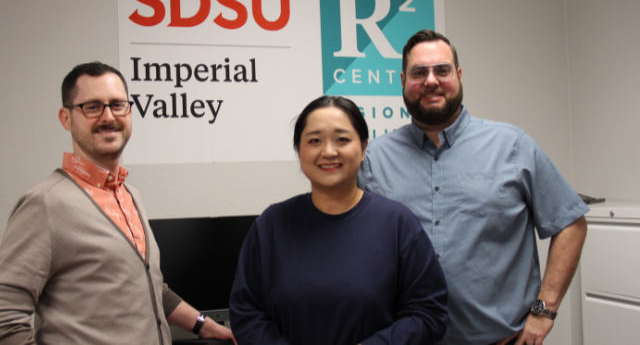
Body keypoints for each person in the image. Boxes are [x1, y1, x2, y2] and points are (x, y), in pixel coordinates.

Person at [0, 62, 235, 345]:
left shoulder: (129, 194)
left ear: (130, 112)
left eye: (117, 105)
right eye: (92, 107)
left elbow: (149, 287)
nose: (108, 116)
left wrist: (209, 327)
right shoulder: (46, 203)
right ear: (66, 118)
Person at [358, 30, 589, 345]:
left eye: (442, 70)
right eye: (418, 73)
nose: (431, 81)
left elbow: (570, 223)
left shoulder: (513, 146)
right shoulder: (373, 159)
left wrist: (542, 311)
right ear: (402, 80)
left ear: (459, 75)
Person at [229, 96, 449, 345]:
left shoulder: (398, 224)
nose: (329, 151)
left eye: (342, 139)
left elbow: (428, 313)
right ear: (299, 150)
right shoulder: (271, 225)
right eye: (314, 141)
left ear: (364, 147)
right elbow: (246, 313)